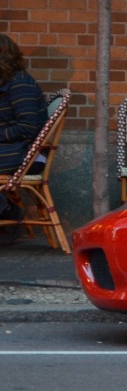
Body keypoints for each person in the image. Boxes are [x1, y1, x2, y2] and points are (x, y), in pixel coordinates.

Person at [0, 35, 47, 239]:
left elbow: (28, 127)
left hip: (28, 156)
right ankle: (5, 210)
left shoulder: (20, 84)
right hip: (11, 151)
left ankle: (7, 211)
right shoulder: (7, 84)